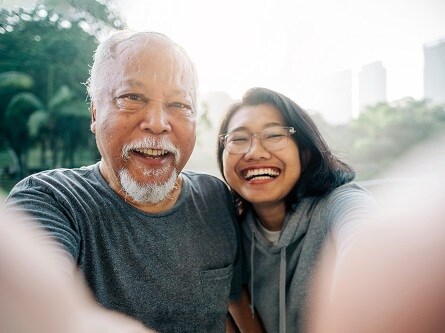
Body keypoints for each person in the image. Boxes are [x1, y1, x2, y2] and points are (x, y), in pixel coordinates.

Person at [4, 30, 241, 332]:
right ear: (94, 112)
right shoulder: (50, 199)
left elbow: (229, 310)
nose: (157, 123)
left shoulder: (215, 197)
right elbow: (34, 312)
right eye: (131, 98)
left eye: (180, 105)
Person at [217, 87, 377, 333]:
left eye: (274, 135)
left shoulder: (341, 204)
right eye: (238, 139)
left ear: (304, 151)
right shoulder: (226, 229)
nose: (255, 153)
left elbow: (366, 237)